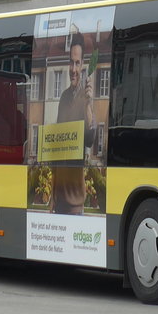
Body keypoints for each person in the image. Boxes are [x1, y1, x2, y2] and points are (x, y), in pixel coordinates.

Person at [50, 32, 96, 215]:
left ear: (83, 64)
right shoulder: (63, 98)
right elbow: (57, 147)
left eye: (77, 63)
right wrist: (53, 194)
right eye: (71, 62)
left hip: (75, 202)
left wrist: (87, 106)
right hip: (59, 199)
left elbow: (89, 140)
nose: (73, 69)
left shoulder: (87, 99)